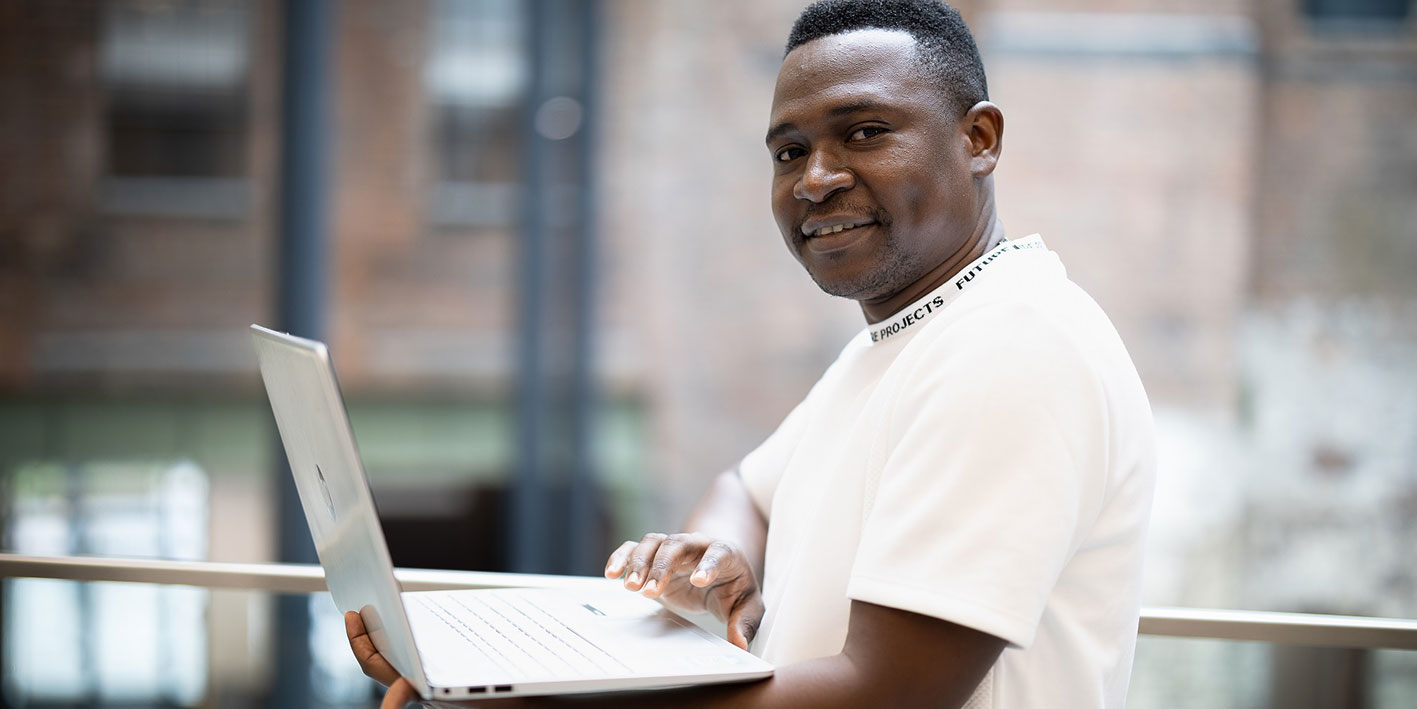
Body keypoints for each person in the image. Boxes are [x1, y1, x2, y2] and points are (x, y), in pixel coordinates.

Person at [348, 0, 1156, 706]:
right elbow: (748, 488)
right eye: (787, 151)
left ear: (978, 138)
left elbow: (887, 692)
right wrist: (717, 563)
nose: (814, 179)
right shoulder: (908, 336)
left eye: (865, 132)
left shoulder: (1011, 345)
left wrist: (549, 700)